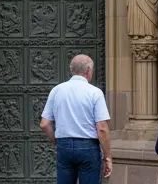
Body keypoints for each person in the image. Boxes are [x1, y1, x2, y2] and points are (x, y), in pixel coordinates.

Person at [40, 54, 112, 184]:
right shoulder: (95, 92)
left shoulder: (56, 90)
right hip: (88, 147)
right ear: (89, 70)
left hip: (64, 145)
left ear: (71, 70)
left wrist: (58, 141)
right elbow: (102, 128)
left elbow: (44, 124)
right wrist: (107, 157)